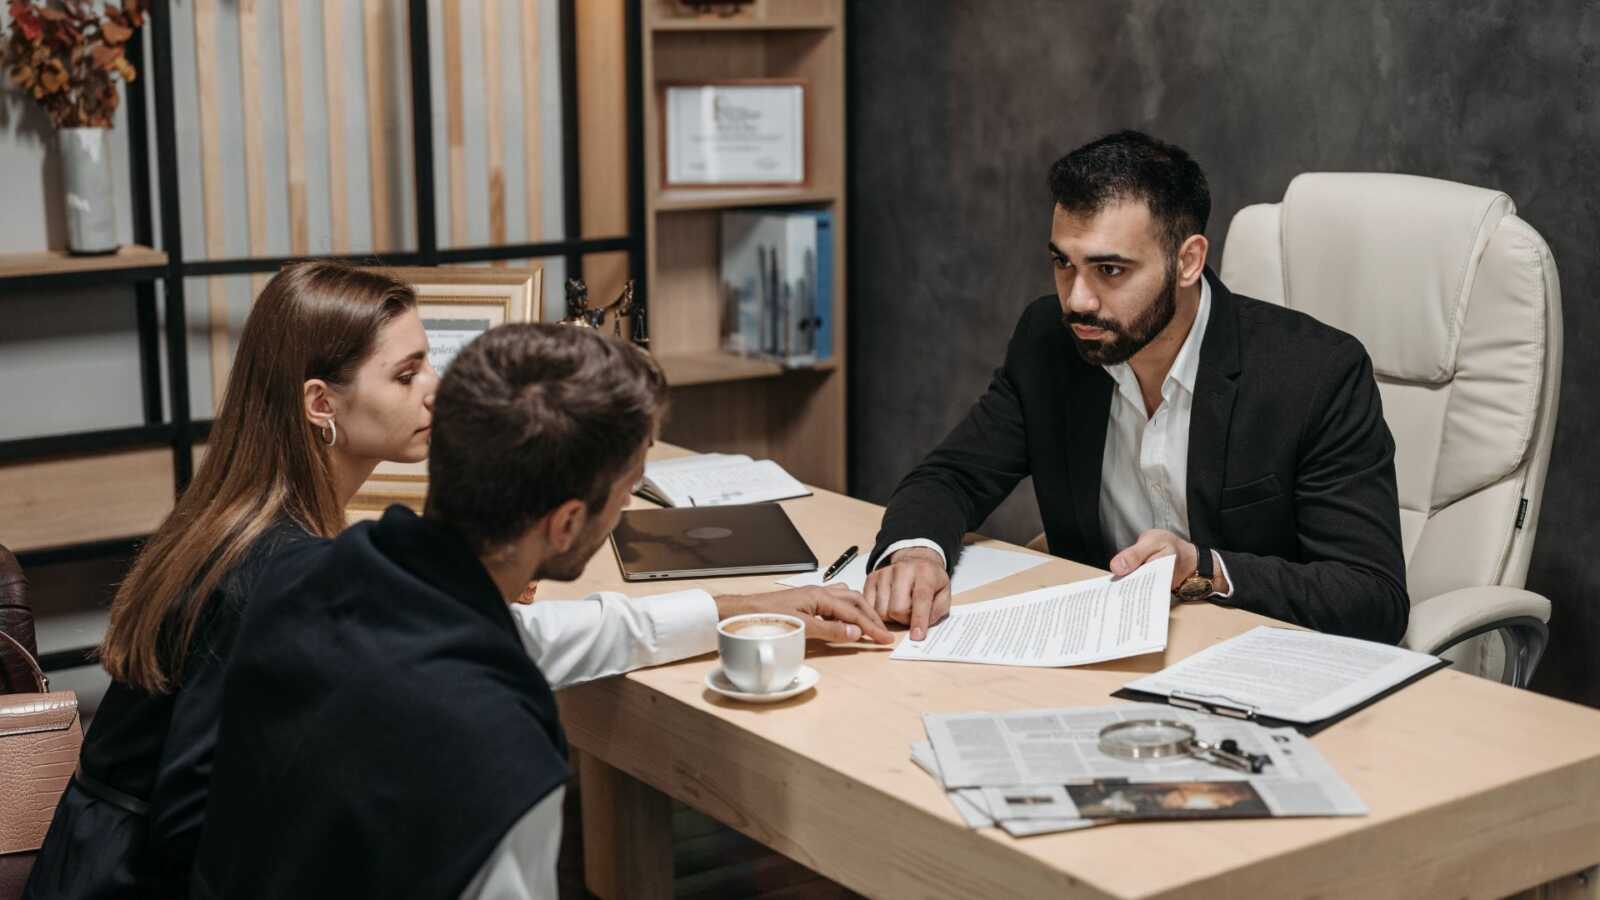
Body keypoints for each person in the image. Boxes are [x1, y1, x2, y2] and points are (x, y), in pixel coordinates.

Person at [191, 324, 891, 899]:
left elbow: (547, 633)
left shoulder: (326, 580)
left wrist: (747, 607)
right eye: (626, 492)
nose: (628, 507)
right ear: (563, 525)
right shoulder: (498, 753)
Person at [863, 131, 1407, 644]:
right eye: (1063, 263)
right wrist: (916, 552)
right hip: (1101, 652)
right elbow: (952, 476)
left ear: (1188, 261)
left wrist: (1206, 569)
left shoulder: (1315, 375)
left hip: (1260, 663)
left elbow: (1371, 597)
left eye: (1110, 270)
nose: (1077, 299)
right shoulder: (1050, 344)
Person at [26, 261, 439, 898]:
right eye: (407, 374)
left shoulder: (244, 515)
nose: (434, 389)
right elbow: (195, 818)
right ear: (320, 403)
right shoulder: (273, 563)